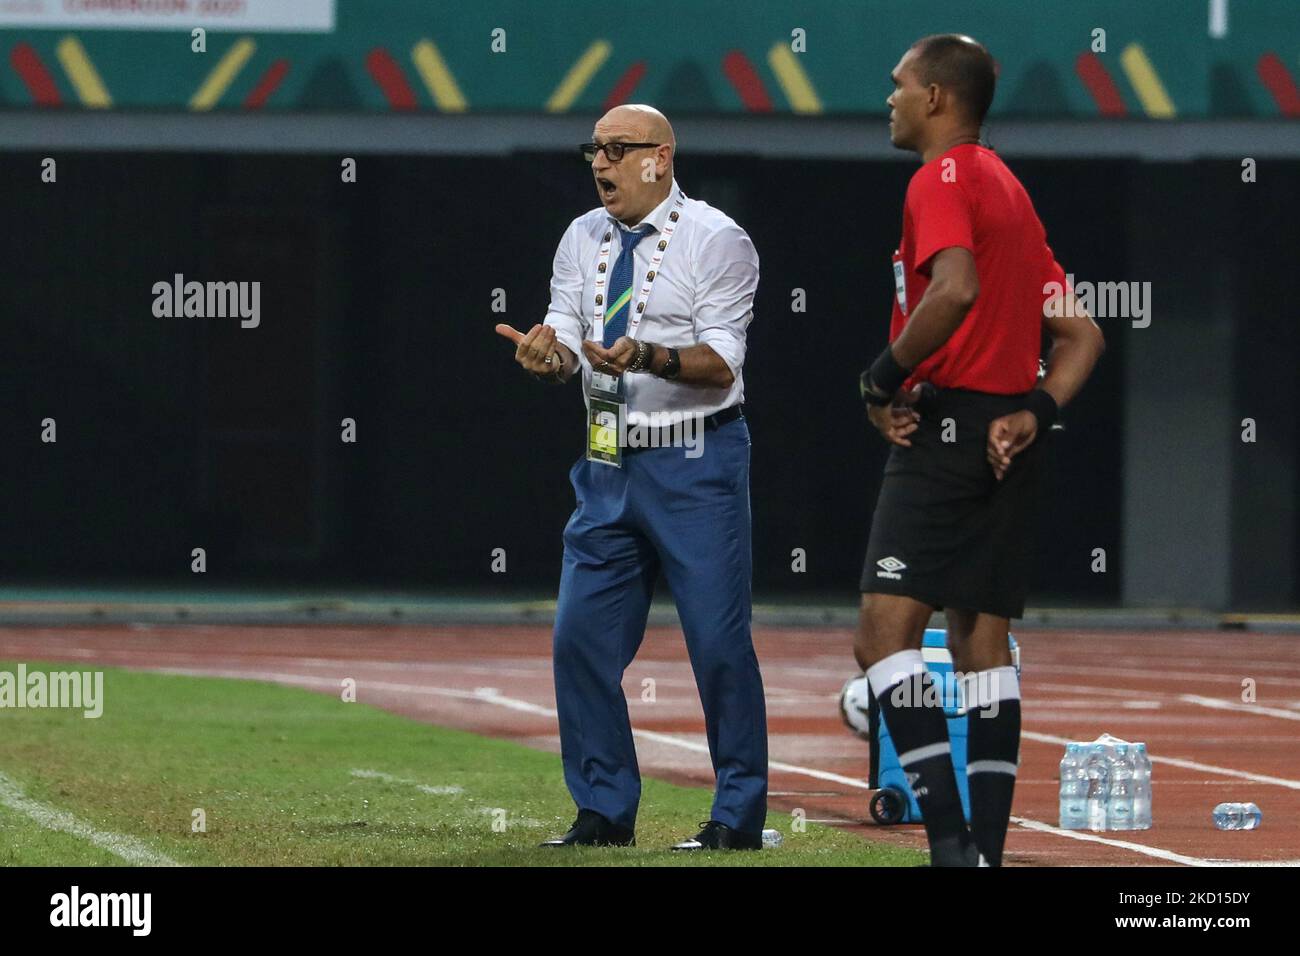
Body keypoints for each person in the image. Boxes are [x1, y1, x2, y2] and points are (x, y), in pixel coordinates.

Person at [856, 35, 1105, 866]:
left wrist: (882, 379)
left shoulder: (941, 179)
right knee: (981, 648)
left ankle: (949, 844)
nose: (887, 101)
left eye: (898, 87)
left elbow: (954, 288)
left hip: (947, 433)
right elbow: (1082, 334)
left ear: (935, 98)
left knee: (884, 636)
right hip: (1008, 439)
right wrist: (1035, 407)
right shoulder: (1011, 191)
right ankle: (985, 855)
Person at [495, 104, 768, 851]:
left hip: (696, 459)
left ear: (661, 156)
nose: (600, 163)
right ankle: (604, 811)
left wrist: (646, 355)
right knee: (578, 639)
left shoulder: (716, 239)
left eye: (617, 149)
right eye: (594, 149)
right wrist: (547, 358)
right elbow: (568, 344)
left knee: (717, 643)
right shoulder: (581, 237)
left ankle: (737, 819)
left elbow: (722, 364)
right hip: (608, 456)